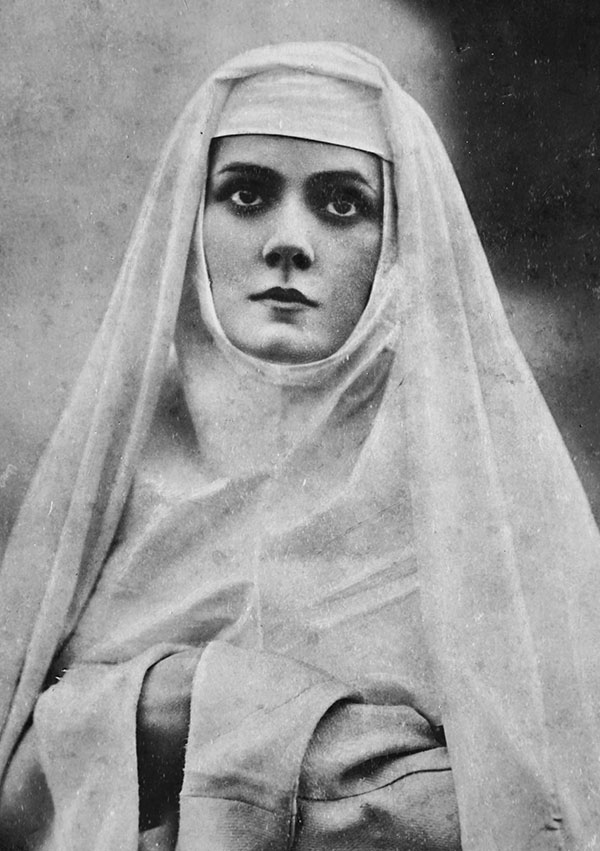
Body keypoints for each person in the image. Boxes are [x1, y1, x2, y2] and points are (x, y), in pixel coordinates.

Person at [1, 41, 600, 851]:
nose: (289, 241)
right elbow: (17, 791)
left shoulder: (479, 505)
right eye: (246, 194)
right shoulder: (106, 496)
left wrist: (203, 709)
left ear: (398, 239)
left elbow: (544, 807)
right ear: (191, 219)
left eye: (342, 204)